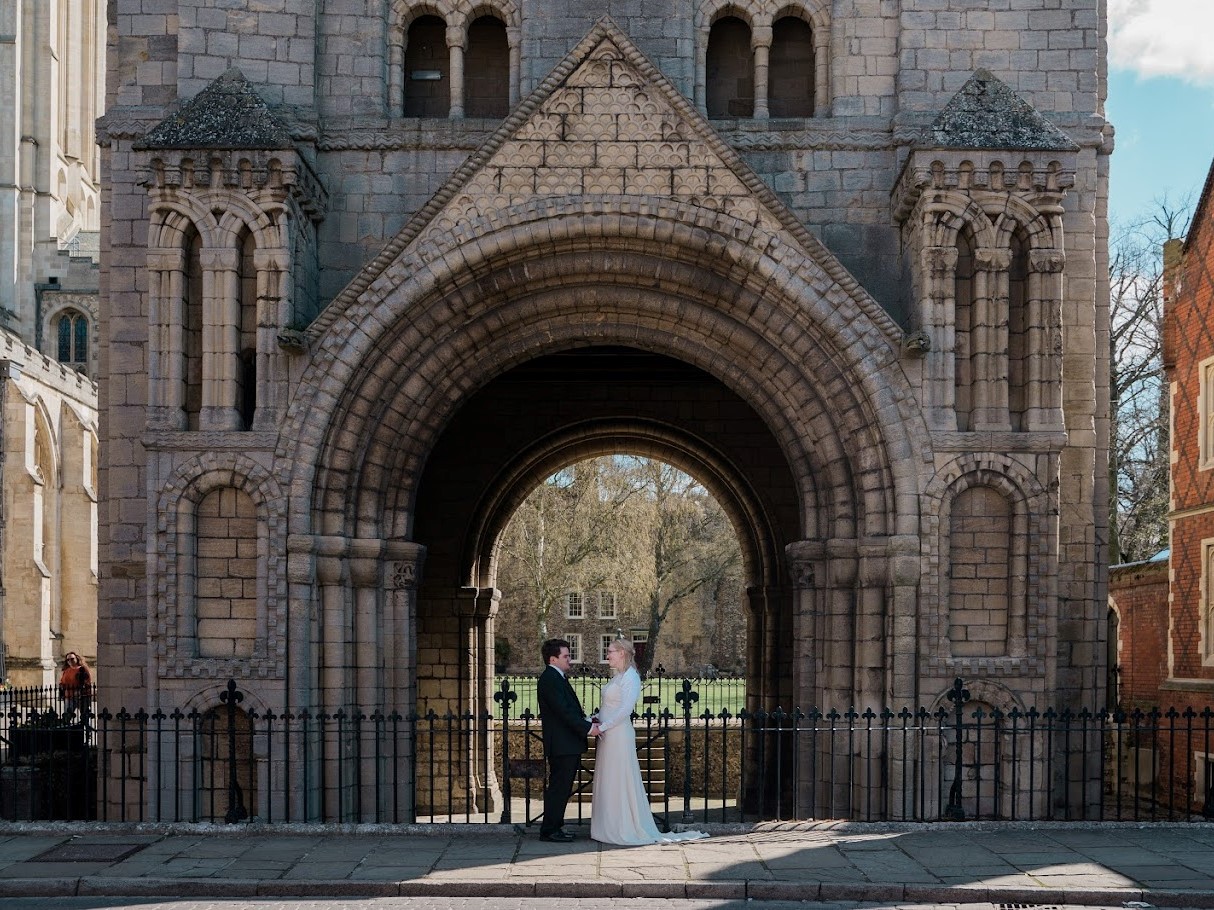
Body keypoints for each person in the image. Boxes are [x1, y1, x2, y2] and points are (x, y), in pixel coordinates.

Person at [590, 638, 708, 845]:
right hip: (607, 734)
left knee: (620, 778)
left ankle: (623, 826)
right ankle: (606, 826)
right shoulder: (617, 677)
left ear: (622, 654)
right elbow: (608, 706)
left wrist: (603, 726)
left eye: (610, 651)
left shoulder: (631, 677)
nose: (607, 655)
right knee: (608, 778)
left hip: (618, 734)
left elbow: (625, 710)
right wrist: (595, 721)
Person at [537, 638, 600, 842]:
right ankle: (550, 830)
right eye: (565, 656)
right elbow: (563, 712)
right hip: (562, 745)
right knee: (559, 789)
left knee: (562, 788)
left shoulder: (558, 677)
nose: (569, 660)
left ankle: (556, 826)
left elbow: (569, 709)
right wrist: (588, 728)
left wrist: (587, 720)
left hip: (567, 743)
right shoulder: (549, 679)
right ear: (553, 659)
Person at [58, 651, 93, 727]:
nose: (70, 661)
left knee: (85, 716)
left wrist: (81, 691)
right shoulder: (66, 671)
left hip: (81, 696)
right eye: (68, 660)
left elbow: (87, 681)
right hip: (69, 696)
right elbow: (62, 681)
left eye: (72, 659)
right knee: (67, 715)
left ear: (76, 659)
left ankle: (87, 732)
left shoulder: (82, 669)